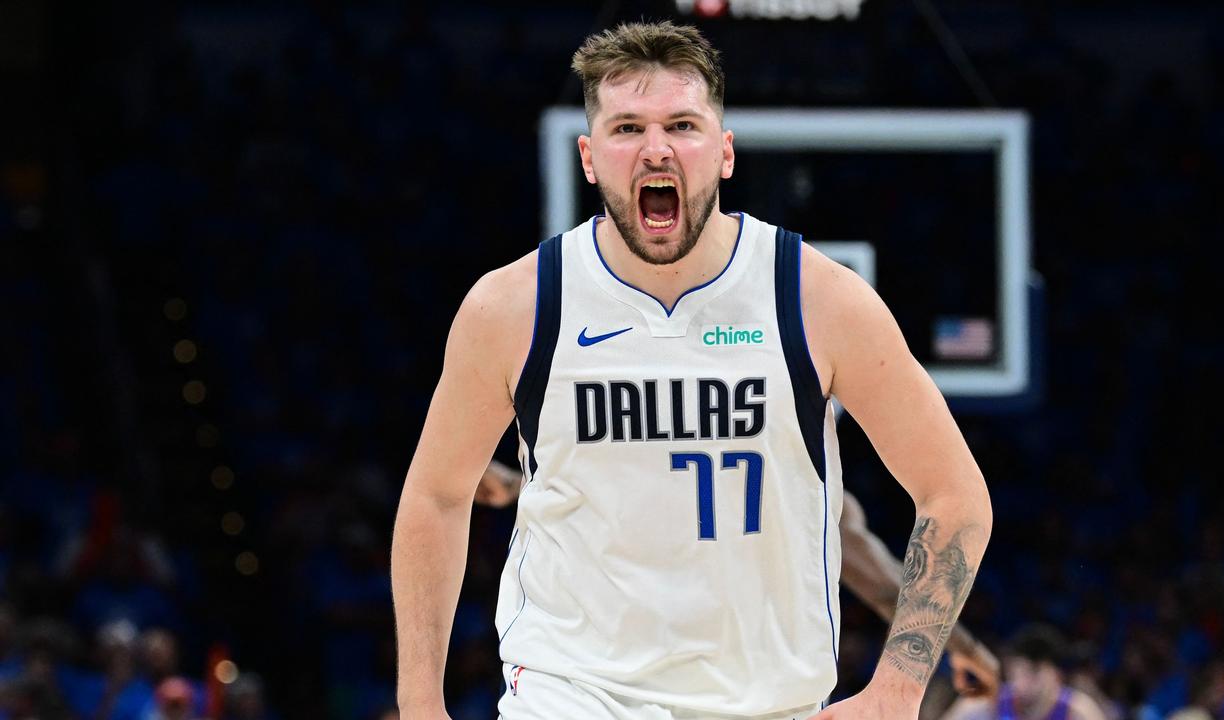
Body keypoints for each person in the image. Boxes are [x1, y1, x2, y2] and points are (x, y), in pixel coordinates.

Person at [391, 20, 992, 720]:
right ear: (589, 157)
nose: (655, 148)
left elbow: (954, 495)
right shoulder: (514, 306)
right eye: (626, 129)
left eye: (681, 124)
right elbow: (435, 497)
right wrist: (419, 704)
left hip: (772, 701)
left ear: (725, 152)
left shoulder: (816, 299)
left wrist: (896, 691)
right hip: (572, 693)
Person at [475, 460, 1000, 698]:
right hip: (724, 678)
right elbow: (885, 586)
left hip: (634, 669)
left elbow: (620, 489)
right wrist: (966, 647)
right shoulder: (803, 477)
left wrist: (520, 485)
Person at [939, 625, 1107, 720]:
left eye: (1033, 672)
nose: (1023, 681)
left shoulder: (1077, 711)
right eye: (1017, 672)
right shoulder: (987, 705)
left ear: (1056, 675)